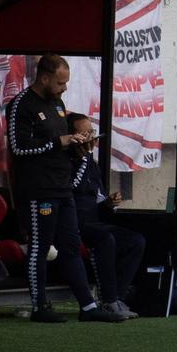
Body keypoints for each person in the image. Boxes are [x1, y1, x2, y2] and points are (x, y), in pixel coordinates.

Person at [8, 55, 120, 322]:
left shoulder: (57, 104)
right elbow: (18, 147)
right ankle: (40, 307)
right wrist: (59, 141)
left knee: (71, 246)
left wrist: (78, 145)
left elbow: (61, 144)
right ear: (44, 77)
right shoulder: (21, 104)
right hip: (38, 189)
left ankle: (88, 307)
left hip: (62, 187)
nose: (64, 88)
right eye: (60, 82)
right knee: (41, 246)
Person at [67, 114, 144, 318]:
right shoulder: (67, 161)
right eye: (85, 134)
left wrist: (109, 204)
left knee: (136, 241)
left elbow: (97, 201)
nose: (91, 137)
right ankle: (108, 300)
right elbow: (71, 188)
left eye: (91, 132)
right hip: (74, 223)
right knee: (105, 239)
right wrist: (81, 157)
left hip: (94, 220)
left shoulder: (91, 163)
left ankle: (116, 298)